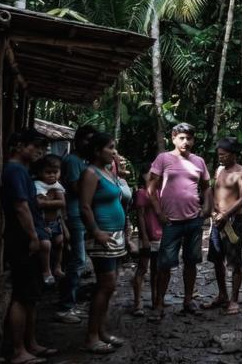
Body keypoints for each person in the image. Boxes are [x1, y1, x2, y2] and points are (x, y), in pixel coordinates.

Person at [1, 128, 56, 364]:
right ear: (18, 146)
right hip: (22, 239)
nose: (39, 151)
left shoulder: (22, 170)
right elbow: (20, 206)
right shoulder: (14, 170)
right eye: (34, 146)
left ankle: (30, 343)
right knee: (22, 295)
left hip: (29, 237)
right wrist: (33, 236)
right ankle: (18, 350)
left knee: (31, 295)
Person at [147, 122, 210, 321]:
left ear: (193, 140)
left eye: (189, 138)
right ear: (173, 138)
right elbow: (151, 187)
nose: (185, 142)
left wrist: (207, 208)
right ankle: (159, 304)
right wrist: (158, 212)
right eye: (181, 138)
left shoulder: (199, 161)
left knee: (191, 262)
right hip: (171, 222)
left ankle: (188, 301)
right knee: (164, 265)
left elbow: (206, 187)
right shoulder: (163, 159)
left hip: (193, 220)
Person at [78, 132, 127, 355]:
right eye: (110, 147)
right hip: (102, 235)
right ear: (97, 151)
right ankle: (91, 337)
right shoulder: (90, 173)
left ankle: (101, 331)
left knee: (110, 286)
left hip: (115, 235)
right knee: (105, 285)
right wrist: (96, 232)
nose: (114, 151)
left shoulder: (108, 171)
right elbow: (85, 206)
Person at [204, 137, 242, 315]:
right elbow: (214, 191)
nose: (220, 157)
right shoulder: (219, 170)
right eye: (219, 155)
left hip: (232, 222)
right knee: (217, 260)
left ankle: (234, 300)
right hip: (217, 221)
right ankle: (222, 294)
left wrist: (226, 214)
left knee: (234, 262)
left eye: (224, 155)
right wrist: (213, 211)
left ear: (233, 154)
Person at [57, 124, 97, 323]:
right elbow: (75, 188)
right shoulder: (73, 161)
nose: (89, 143)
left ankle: (70, 303)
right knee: (77, 260)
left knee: (77, 260)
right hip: (74, 214)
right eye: (86, 139)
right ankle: (65, 307)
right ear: (78, 141)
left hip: (80, 214)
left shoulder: (83, 161)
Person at [33, 154, 68, 286]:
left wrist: (49, 200)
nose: (52, 175)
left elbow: (62, 203)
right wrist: (53, 199)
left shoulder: (58, 185)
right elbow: (40, 203)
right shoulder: (38, 184)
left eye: (55, 172)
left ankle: (57, 267)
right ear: (40, 173)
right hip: (43, 222)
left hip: (56, 221)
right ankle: (46, 270)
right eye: (48, 172)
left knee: (59, 242)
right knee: (46, 246)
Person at [131, 173, 162, 317]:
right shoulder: (141, 193)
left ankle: (156, 300)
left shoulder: (159, 191)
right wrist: (144, 237)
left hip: (159, 235)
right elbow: (140, 216)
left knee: (156, 269)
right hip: (148, 236)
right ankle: (138, 302)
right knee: (142, 268)